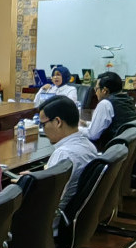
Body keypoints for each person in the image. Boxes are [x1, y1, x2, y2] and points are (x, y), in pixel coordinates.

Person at [38, 96, 98, 233]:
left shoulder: (63, 154)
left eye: (43, 124)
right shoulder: (89, 145)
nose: (43, 130)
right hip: (75, 219)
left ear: (58, 122)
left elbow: (50, 199)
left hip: (52, 225)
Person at [80, 72, 136, 148]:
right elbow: (111, 123)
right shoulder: (127, 99)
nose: (95, 92)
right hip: (122, 149)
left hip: (108, 150)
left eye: (96, 88)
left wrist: (74, 129)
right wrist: (86, 123)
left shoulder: (105, 104)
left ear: (104, 90)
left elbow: (93, 135)